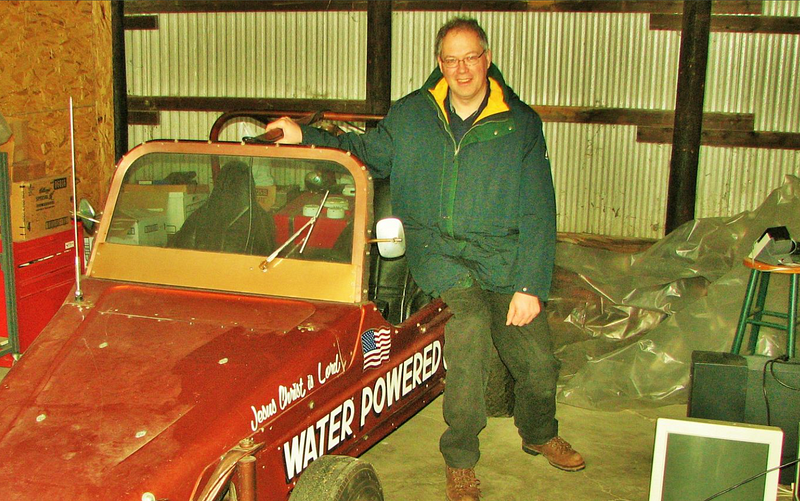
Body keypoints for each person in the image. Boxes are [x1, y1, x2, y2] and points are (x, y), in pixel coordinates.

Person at [266, 17, 584, 501]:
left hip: (504, 256)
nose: (461, 69)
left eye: (470, 57)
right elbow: (364, 152)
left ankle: (539, 431)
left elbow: (540, 208)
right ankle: (460, 459)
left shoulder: (519, 125)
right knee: (470, 337)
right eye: (451, 59)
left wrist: (531, 285)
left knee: (538, 362)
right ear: (440, 63)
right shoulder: (412, 115)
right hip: (441, 254)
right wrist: (305, 134)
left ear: (487, 59)